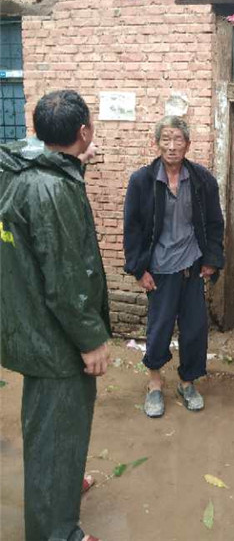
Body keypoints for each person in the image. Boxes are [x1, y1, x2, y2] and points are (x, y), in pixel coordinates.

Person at [0, 90, 111, 541]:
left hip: (31, 326)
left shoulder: (18, 169)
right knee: (55, 432)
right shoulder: (52, 190)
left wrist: (76, 161)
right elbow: (66, 279)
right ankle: (57, 531)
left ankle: (61, 485)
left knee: (53, 427)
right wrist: (91, 340)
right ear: (83, 131)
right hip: (56, 338)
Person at [123, 116, 224, 417]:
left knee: (194, 329)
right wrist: (139, 269)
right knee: (159, 328)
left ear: (188, 144)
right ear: (156, 143)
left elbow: (215, 223)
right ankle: (155, 383)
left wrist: (211, 259)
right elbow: (132, 229)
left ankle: (187, 382)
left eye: (178, 139)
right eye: (165, 139)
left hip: (191, 266)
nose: (171, 146)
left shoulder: (202, 180)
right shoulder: (142, 181)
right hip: (159, 269)